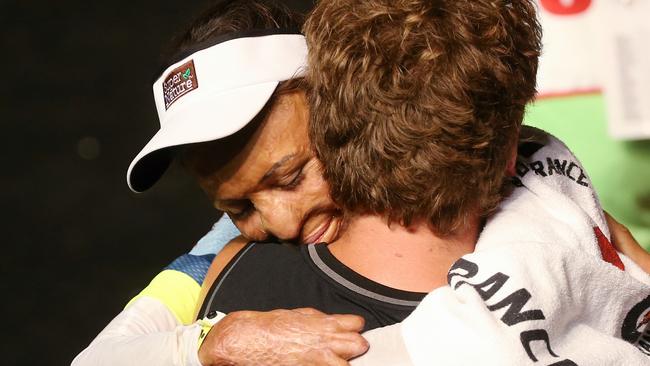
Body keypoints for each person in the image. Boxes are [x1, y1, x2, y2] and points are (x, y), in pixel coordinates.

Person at [73, 1, 650, 365]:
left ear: (340, 107)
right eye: (237, 205)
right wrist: (204, 344)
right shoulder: (213, 259)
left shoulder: (536, 173)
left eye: (292, 175)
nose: (277, 222)